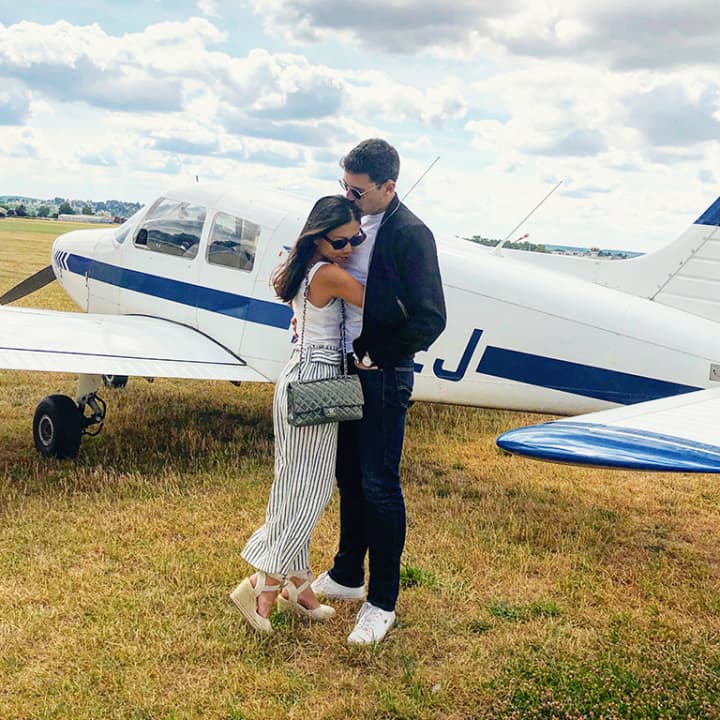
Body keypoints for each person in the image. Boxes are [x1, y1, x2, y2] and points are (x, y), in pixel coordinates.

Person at [311, 139, 447, 645]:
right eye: (344, 186)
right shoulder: (353, 224)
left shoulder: (411, 233)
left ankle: (382, 601)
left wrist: (377, 355)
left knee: (380, 485)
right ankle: (347, 573)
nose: (349, 197)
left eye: (358, 191)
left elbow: (431, 317)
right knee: (348, 476)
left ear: (389, 187)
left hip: (383, 375)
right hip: (343, 369)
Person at [230, 196, 365, 634]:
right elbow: (375, 304)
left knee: (295, 483)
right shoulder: (327, 274)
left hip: (301, 372)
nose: (349, 248)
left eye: (357, 239)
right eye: (340, 241)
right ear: (317, 237)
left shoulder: (302, 266)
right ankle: (264, 584)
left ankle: (299, 585)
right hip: (316, 378)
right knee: (311, 487)